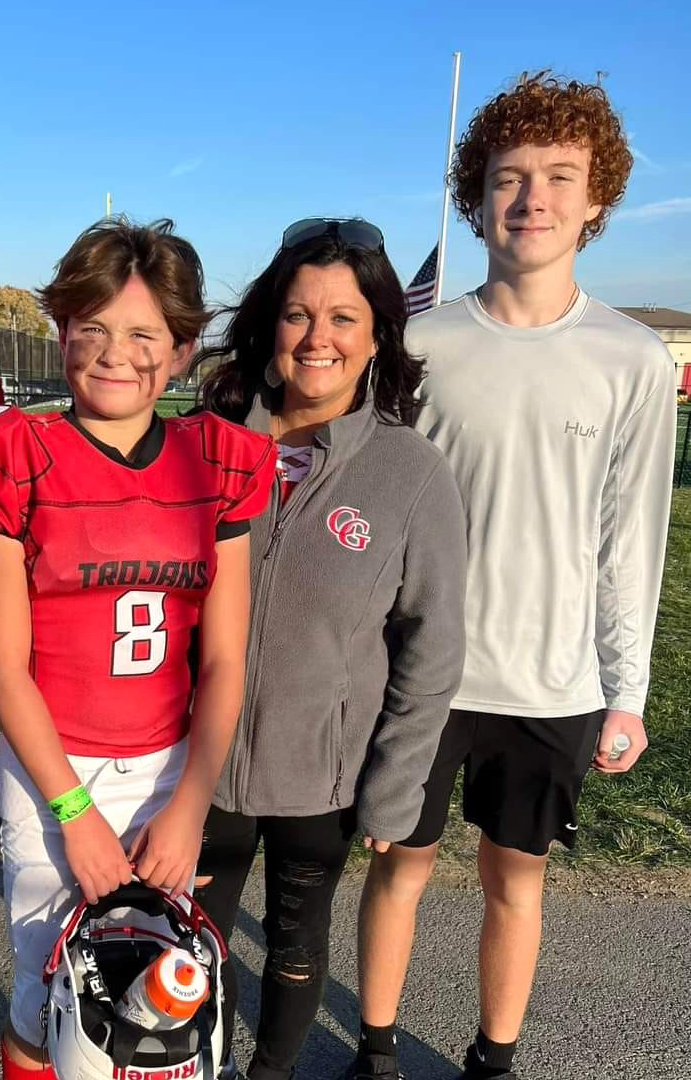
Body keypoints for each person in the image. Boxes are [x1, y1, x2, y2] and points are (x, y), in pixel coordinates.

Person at [349, 72, 677, 1080]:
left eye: (558, 177)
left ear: (595, 202)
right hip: (425, 677)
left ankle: (494, 1058)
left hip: (550, 686)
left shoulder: (630, 359)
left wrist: (625, 693)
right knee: (397, 868)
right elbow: (381, 519)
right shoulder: (422, 342)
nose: (531, 197)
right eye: (508, 177)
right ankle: (373, 1048)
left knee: (515, 882)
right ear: (476, 196)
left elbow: (633, 539)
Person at [0, 217, 277, 1080]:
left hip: (168, 764)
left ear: (185, 348)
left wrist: (192, 803)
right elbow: (4, 668)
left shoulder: (218, 463)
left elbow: (226, 658)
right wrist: (74, 815)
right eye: (93, 329)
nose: (114, 354)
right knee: (46, 997)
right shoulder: (13, 458)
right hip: (54, 769)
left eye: (143, 335)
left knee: (154, 1000)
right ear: (61, 332)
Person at [192, 217, 468, 1080]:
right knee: (188, 954)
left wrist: (395, 790)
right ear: (270, 323)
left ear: (378, 333)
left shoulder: (411, 471)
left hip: (324, 778)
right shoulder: (209, 442)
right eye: (299, 314)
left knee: (293, 946)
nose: (319, 339)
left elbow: (434, 648)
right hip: (204, 766)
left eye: (344, 318)